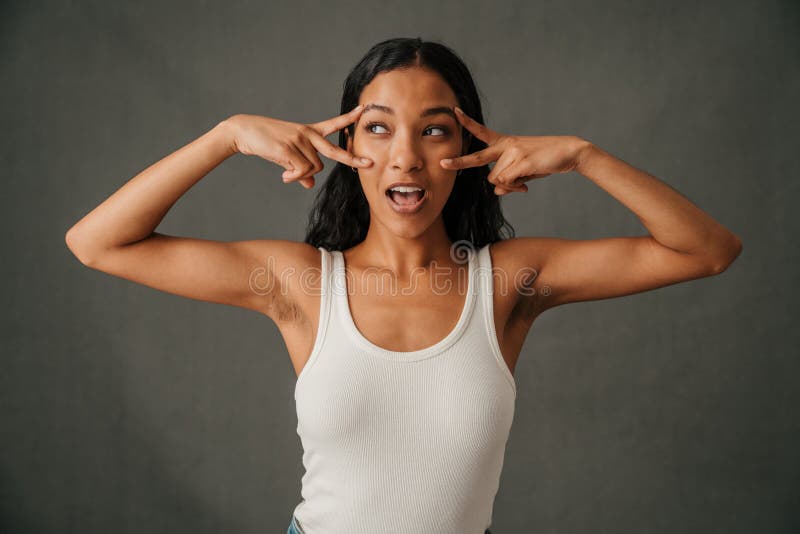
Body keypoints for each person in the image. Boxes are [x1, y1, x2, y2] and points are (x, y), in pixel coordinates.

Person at [65, 37, 742, 534]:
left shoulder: (507, 283)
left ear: (468, 151)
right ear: (346, 147)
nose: (405, 157)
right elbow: (96, 242)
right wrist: (227, 135)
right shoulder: (303, 284)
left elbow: (708, 250)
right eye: (378, 128)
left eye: (434, 131)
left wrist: (583, 156)